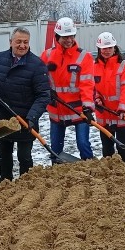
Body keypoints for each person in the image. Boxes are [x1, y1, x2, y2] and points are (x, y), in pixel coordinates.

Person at [0, 27, 50, 181]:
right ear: (11, 42)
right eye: (18, 42)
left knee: (24, 157)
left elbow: (44, 95)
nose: (22, 45)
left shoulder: (37, 65)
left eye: (26, 42)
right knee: (4, 156)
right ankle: (6, 184)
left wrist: (32, 118)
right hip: (3, 119)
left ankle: (26, 186)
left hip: (25, 119)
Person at [41, 17, 95, 161]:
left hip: (78, 110)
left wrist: (88, 106)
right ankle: (56, 175)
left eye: (71, 36)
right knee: (55, 149)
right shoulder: (47, 55)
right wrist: (46, 91)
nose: (69, 40)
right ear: (57, 37)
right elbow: (39, 79)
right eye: (65, 37)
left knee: (83, 143)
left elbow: (87, 84)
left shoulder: (84, 57)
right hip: (56, 109)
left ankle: (91, 170)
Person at [92, 32, 125, 165]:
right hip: (104, 115)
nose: (107, 51)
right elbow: (92, 88)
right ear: (99, 49)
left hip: (124, 115)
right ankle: (108, 175)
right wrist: (97, 98)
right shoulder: (94, 67)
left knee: (123, 148)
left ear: (115, 48)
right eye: (104, 48)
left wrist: (123, 107)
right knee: (107, 150)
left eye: (110, 48)